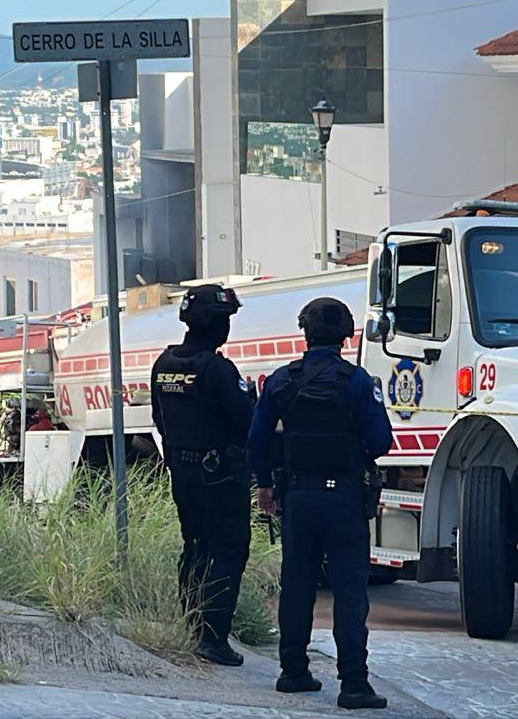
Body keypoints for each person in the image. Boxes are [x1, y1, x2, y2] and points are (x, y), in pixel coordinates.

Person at [248, 297, 392, 710]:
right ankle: (354, 685)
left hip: (298, 496)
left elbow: (256, 442)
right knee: (349, 591)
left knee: (296, 586)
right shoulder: (356, 381)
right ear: (347, 335)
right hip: (344, 498)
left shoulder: (280, 381)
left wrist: (265, 487)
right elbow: (381, 440)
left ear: (304, 333)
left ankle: (292, 672)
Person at [150, 284, 255, 666]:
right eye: (224, 319)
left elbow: (159, 420)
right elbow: (245, 424)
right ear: (215, 324)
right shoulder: (218, 369)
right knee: (226, 551)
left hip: (182, 470)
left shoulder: (163, 364)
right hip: (220, 475)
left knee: (194, 545)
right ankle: (213, 639)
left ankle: (192, 627)